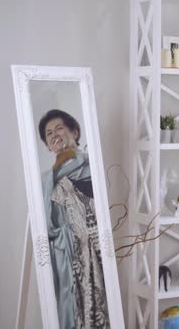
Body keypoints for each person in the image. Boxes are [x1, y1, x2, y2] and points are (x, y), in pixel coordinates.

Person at [38, 109, 109, 329]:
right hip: (68, 258)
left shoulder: (94, 168)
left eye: (59, 128)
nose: (54, 135)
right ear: (48, 145)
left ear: (75, 131)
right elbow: (47, 226)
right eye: (48, 134)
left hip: (100, 250)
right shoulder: (45, 182)